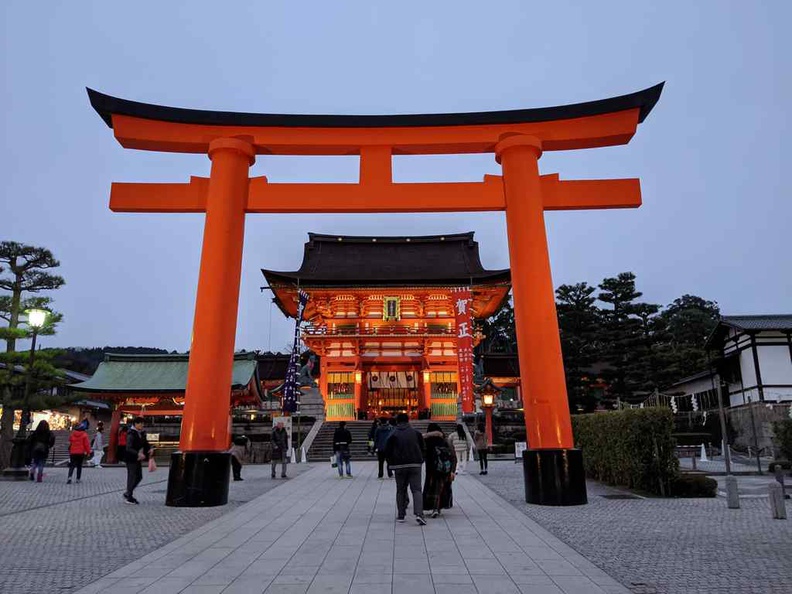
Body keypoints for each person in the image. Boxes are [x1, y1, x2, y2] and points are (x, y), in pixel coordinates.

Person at [384, 412, 426, 525]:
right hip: (415, 464)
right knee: (417, 490)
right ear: (408, 420)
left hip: (399, 465)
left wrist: (391, 463)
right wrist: (421, 459)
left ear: (397, 421)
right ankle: (419, 514)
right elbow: (423, 447)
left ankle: (401, 514)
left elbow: (387, 450)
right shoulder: (416, 433)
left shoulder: (393, 434)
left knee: (401, 490)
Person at [422, 423, 457, 518]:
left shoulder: (426, 440)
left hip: (431, 468)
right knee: (441, 487)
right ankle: (438, 507)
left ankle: (433, 506)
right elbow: (453, 455)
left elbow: (422, 453)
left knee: (432, 487)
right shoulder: (445, 440)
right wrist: (452, 470)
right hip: (444, 467)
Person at [123, 416, 150, 504]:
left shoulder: (141, 433)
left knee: (139, 476)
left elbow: (145, 443)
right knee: (132, 476)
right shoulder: (131, 433)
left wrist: (150, 448)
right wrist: (138, 453)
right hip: (131, 458)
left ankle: (128, 492)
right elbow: (128, 447)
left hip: (138, 458)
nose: (142, 425)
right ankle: (129, 496)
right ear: (135, 424)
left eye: (143, 424)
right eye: (141, 424)